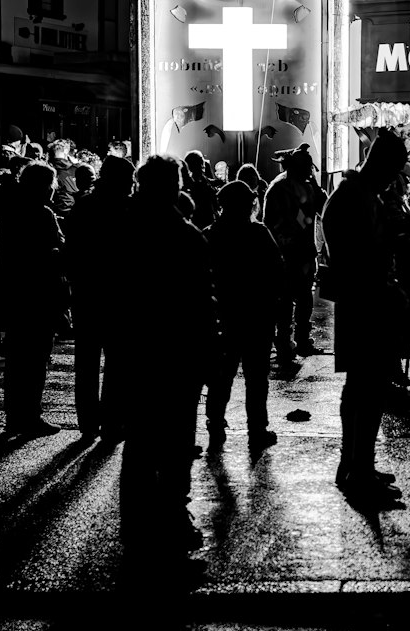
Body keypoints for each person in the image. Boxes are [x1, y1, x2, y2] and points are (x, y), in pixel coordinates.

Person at [116, 154, 220, 555]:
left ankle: (136, 523)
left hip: (137, 349)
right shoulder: (185, 236)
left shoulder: (124, 229)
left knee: (140, 441)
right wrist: (209, 348)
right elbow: (199, 302)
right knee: (176, 439)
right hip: (178, 351)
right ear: (174, 186)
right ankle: (173, 516)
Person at [320, 128, 407, 507]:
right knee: (366, 388)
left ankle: (356, 462)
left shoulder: (357, 194)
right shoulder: (356, 197)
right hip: (364, 301)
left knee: (361, 387)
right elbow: (361, 255)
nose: (395, 179)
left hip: (363, 299)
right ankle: (358, 468)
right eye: (395, 169)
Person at [204, 180, 285, 452]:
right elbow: (277, 271)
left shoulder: (211, 234)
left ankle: (215, 422)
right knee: (256, 376)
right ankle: (257, 429)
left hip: (222, 314)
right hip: (256, 315)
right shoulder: (258, 234)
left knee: (221, 375)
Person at [63, 154, 136, 444]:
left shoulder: (84, 204)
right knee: (118, 360)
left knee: (87, 360)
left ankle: (89, 422)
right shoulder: (126, 208)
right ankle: (112, 421)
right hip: (116, 292)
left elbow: (73, 247)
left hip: (86, 291)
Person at [0, 162, 67, 437]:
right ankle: (30, 415)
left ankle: (14, 415)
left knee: (16, 358)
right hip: (39, 294)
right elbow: (56, 252)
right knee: (35, 358)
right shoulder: (42, 214)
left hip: (15, 293)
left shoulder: (8, 211)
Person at [263, 143, 327, 361]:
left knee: (296, 300)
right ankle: (288, 341)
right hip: (288, 254)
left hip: (297, 252)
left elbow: (322, 208)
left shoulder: (296, 186)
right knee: (290, 300)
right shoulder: (284, 188)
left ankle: (294, 340)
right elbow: (270, 223)